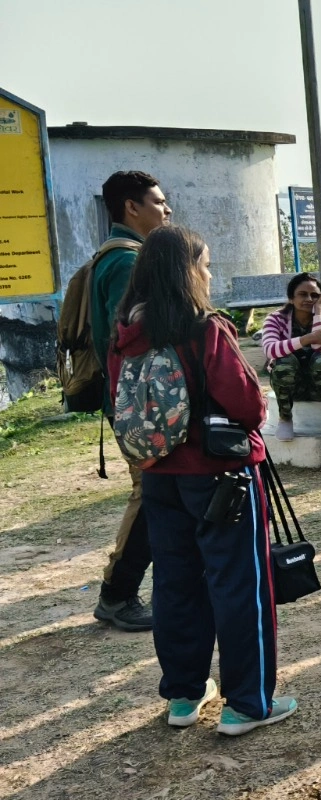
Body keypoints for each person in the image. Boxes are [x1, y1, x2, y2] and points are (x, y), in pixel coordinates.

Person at [106, 225, 296, 735]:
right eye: (205, 265)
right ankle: (249, 704)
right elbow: (248, 406)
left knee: (175, 583)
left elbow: (119, 400)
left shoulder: (125, 334)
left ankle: (184, 694)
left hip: (158, 476)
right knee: (239, 584)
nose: (209, 275)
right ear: (187, 272)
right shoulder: (206, 329)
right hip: (221, 476)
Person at [87, 170, 171, 632]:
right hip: (137, 403)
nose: (167, 209)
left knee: (157, 493)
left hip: (130, 399)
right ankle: (117, 594)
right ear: (131, 207)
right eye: (158, 202)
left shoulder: (117, 255)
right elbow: (134, 340)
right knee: (151, 495)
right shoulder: (127, 262)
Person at [261, 273, 321, 441]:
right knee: (284, 361)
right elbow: (270, 350)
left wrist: (319, 311)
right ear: (291, 298)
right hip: (291, 386)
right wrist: (307, 338)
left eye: (314, 295)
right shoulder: (275, 319)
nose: (309, 299)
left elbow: (320, 346)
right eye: (302, 294)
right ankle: (285, 418)